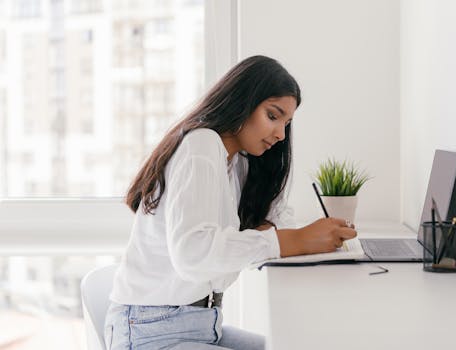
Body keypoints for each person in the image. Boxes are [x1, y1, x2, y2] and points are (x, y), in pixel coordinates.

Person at [104, 55, 357, 350]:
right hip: (151, 330)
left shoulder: (239, 163)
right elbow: (193, 255)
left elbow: (280, 217)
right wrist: (290, 241)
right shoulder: (201, 145)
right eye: (272, 116)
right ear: (242, 102)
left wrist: (286, 236)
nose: (280, 134)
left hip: (200, 326)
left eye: (286, 123)